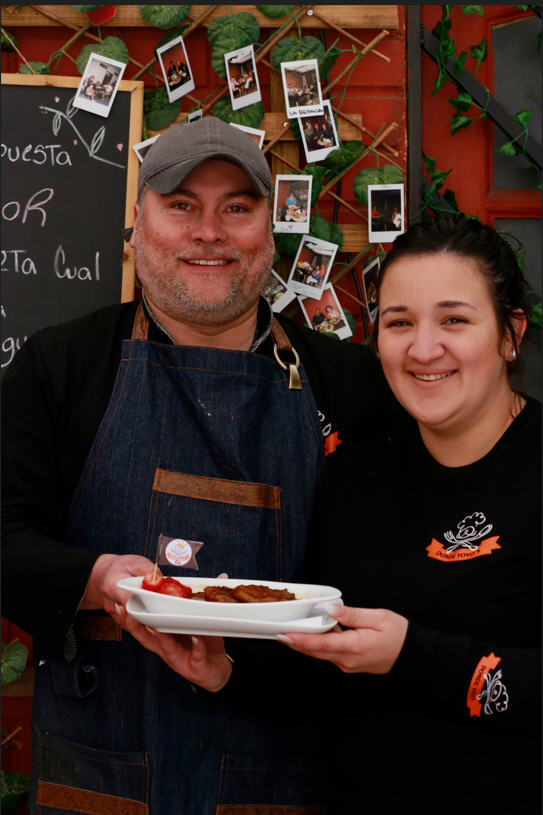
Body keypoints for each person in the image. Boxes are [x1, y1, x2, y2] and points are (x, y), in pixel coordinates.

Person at [1, 116, 402, 814]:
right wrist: (95, 579)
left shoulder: (347, 383)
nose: (208, 231)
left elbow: (386, 586)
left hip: (284, 776)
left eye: (236, 208)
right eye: (181, 204)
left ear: (269, 229)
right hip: (97, 778)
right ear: (137, 222)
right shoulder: (61, 366)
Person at [279, 214, 542, 814]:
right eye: (400, 323)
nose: (424, 349)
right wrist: (222, 670)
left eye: (454, 319)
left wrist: (413, 656)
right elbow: (323, 669)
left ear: (510, 334)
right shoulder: (353, 477)